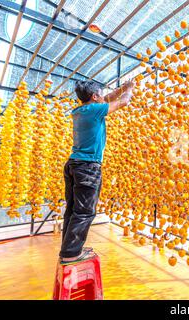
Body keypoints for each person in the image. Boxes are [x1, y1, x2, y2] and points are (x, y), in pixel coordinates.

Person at [59, 80, 134, 263]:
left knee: (73, 209)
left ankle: (68, 249)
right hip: (87, 167)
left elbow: (107, 98)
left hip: (74, 164)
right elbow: (123, 102)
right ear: (94, 96)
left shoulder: (80, 111)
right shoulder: (94, 111)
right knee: (85, 212)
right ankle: (71, 254)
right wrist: (129, 89)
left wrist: (120, 88)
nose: (103, 96)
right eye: (100, 94)